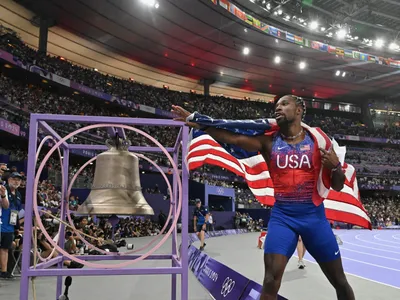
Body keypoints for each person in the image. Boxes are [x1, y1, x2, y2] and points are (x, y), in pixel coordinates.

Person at [172, 95, 355, 300]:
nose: (278, 108)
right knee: (270, 281)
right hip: (283, 218)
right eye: (276, 106)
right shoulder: (268, 142)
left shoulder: (319, 143)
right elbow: (232, 138)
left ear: (299, 110)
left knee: (339, 281)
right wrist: (200, 122)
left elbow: (338, 185)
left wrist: (336, 166)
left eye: (284, 104)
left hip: (314, 219)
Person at [0, 172, 23, 279]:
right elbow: (5, 206)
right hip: (1, 223)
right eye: (14, 179)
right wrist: (4, 195)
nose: (16, 181)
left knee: (5, 248)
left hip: (10, 225)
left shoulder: (18, 194)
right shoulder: (2, 190)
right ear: (9, 180)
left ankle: (4, 272)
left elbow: (16, 211)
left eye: (18, 180)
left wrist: (16, 227)